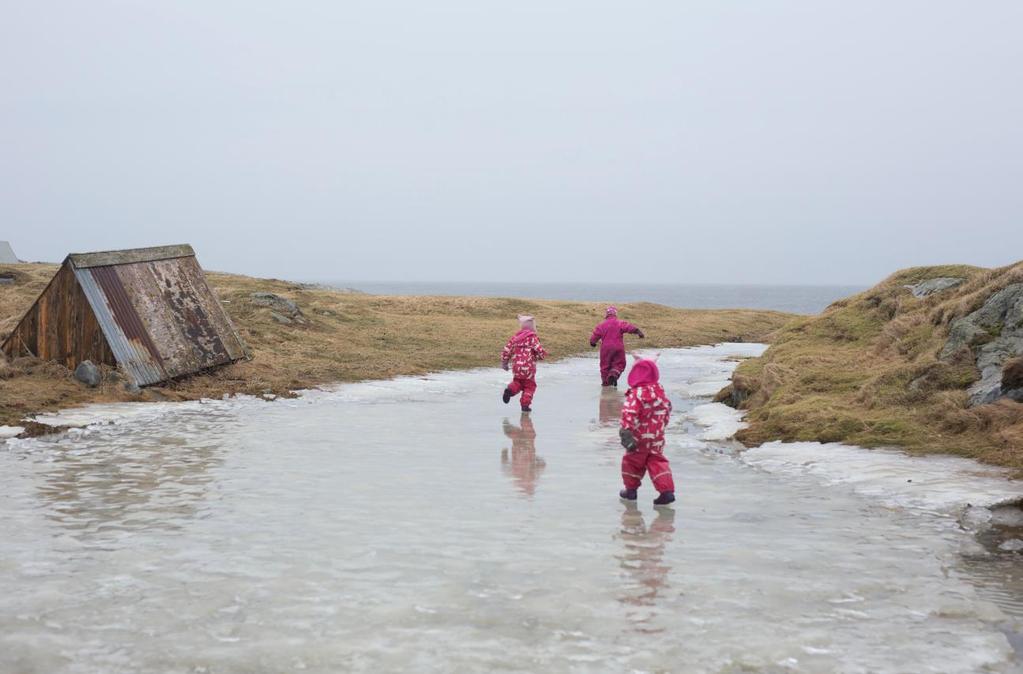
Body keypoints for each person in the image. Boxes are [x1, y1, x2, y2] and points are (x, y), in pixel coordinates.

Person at [619, 354, 675, 506]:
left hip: (638, 438)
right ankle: (666, 491)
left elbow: (629, 413)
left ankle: (630, 490)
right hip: (656, 437)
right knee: (657, 461)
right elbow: (667, 409)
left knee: (631, 462)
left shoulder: (636, 394)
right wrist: (662, 427)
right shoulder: (660, 393)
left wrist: (626, 431)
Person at [501, 315, 548, 412]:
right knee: (529, 386)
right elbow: (538, 349)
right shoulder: (532, 338)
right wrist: (542, 355)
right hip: (528, 368)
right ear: (532, 327)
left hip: (517, 367)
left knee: (517, 382)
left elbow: (507, 349)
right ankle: (525, 405)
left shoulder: (515, 337)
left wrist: (505, 362)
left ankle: (510, 390)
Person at [590, 306, 644, 386]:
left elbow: (595, 335)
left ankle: (605, 383)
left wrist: (593, 342)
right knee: (620, 363)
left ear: (606, 315)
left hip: (605, 349)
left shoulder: (601, 325)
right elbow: (628, 327)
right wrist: (637, 331)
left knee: (605, 365)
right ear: (615, 314)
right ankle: (613, 374)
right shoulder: (619, 323)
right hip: (618, 347)